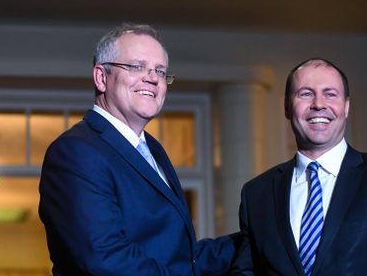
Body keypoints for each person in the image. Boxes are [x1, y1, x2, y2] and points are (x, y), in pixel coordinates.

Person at [39, 23, 236, 276]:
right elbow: (106, 260)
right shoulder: (75, 152)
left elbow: (183, 259)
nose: (152, 78)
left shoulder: (152, 149)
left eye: (160, 71)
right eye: (136, 66)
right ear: (101, 77)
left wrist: (261, 237)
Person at [230, 58, 367, 275]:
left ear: (346, 107)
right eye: (306, 93)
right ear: (287, 107)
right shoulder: (256, 194)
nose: (319, 104)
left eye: (330, 94)